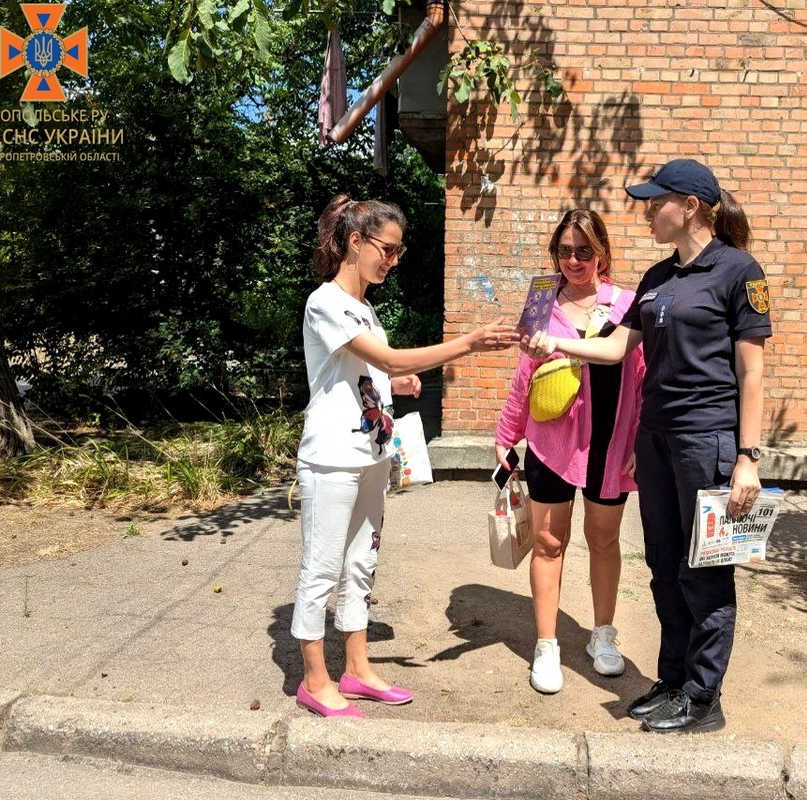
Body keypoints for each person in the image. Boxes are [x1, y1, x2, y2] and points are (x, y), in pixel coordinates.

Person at [522, 161, 772, 733]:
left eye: (653, 201)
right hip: (656, 442)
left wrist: (746, 457)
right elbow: (614, 351)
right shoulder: (657, 278)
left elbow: (751, 374)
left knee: (705, 569)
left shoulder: (738, 271)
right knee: (662, 563)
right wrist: (554, 342)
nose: (645, 212)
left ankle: (704, 696)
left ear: (688, 205)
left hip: (707, 439)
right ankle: (674, 678)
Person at [293, 195, 518, 718]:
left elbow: (363, 370)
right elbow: (383, 355)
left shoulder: (364, 308)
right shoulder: (324, 302)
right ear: (356, 241)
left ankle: (357, 668)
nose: (392, 261)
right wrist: (467, 343)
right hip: (332, 458)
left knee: (361, 564)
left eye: (398, 252)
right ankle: (313, 678)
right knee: (322, 568)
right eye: (387, 250)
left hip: (370, 454)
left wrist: (395, 382)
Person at [494, 209, 645, 695]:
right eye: (564, 251)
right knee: (548, 542)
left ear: (601, 250)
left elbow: (644, 376)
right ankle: (546, 644)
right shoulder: (543, 298)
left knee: (603, 539)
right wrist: (507, 430)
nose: (573, 260)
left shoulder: (625, 303)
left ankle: (602, 635)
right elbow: (525, 370)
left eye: (583, 250)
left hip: (610, 441)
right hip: (551, 439)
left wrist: (641, 438)